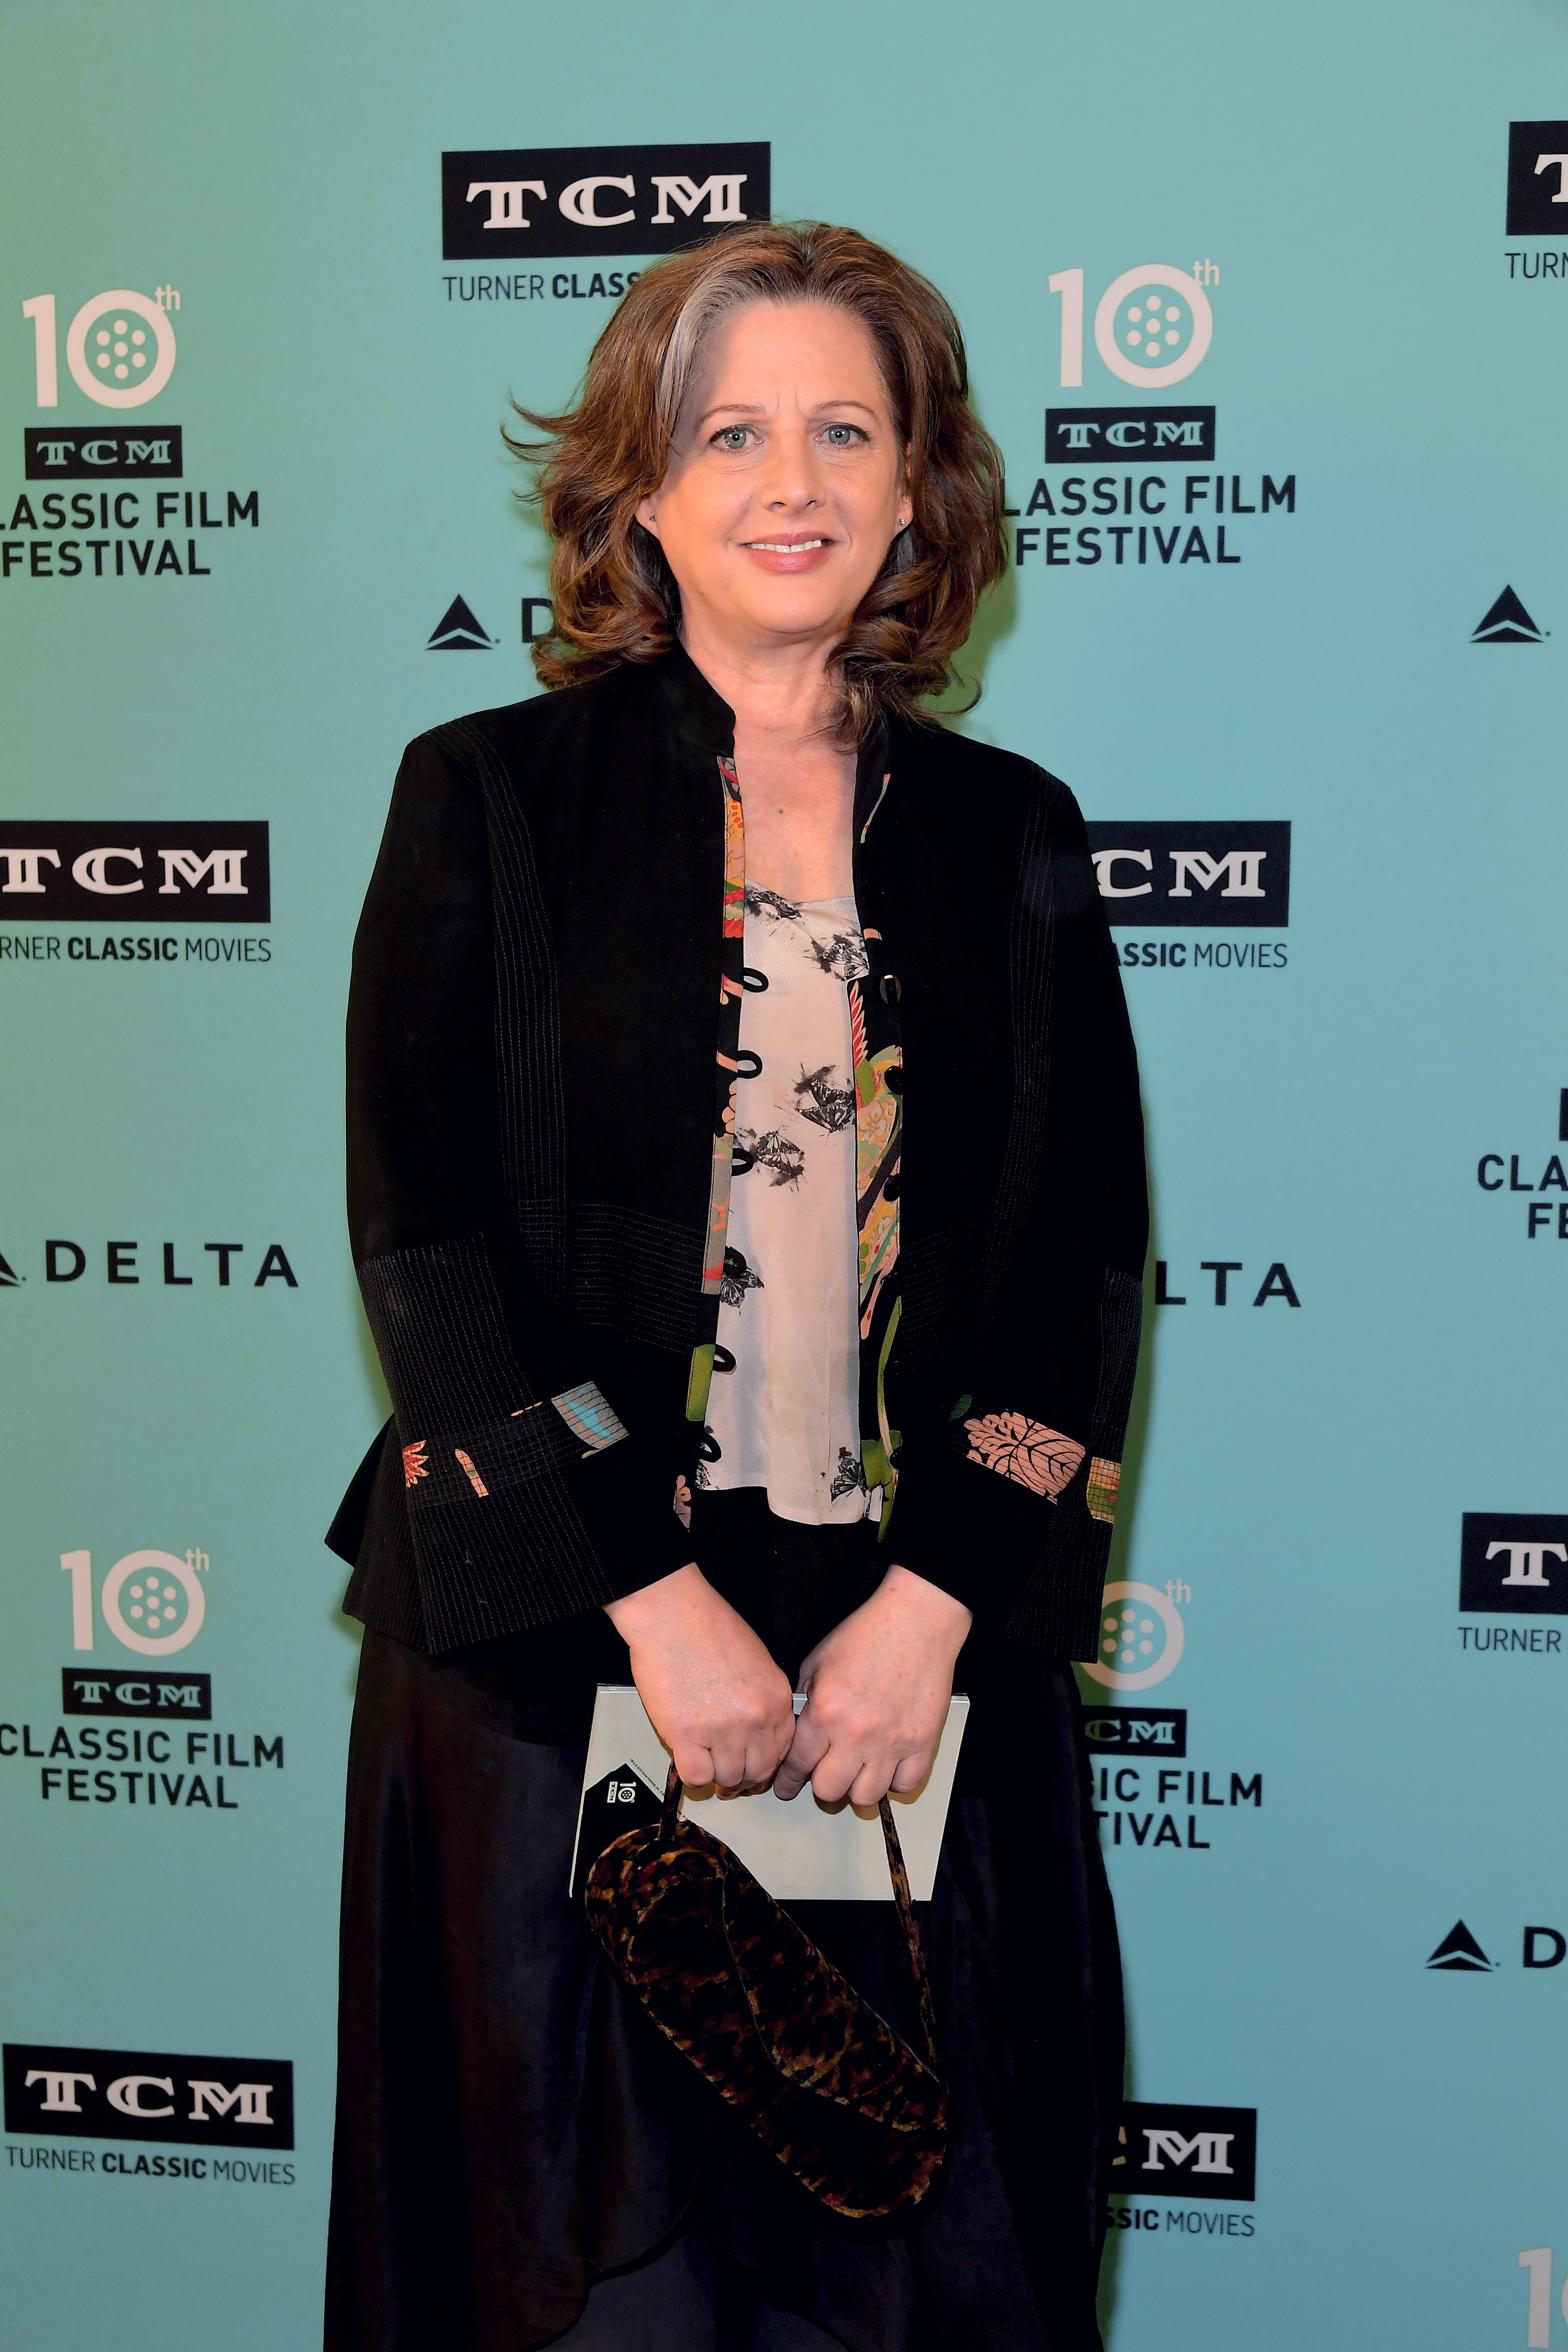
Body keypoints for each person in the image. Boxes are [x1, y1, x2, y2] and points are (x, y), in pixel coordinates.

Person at [324, 220, 1147, 2352]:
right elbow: (430, 1247)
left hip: (911, 1661)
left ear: (912, 492)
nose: (791, 479)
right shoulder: (484, 799)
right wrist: (650, 1596)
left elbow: (1078, 1258)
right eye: (731, 432)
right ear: (642, 494)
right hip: (558, 1655)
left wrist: (940, 1605)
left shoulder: (1009, 831)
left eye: (844, 430)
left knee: (929, 2264)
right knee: (570, 2288)